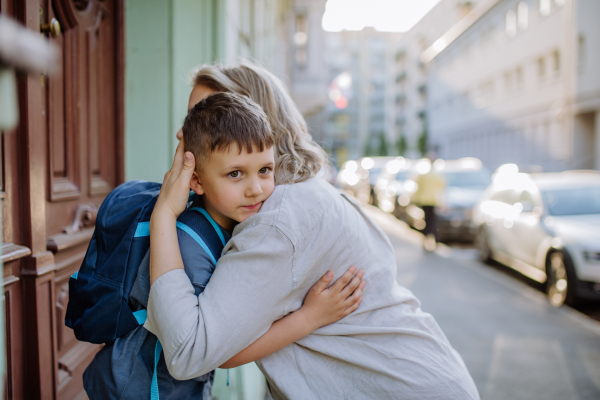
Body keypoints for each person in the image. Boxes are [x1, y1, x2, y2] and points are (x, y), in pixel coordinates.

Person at [147, 62, 480, 399]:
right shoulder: (297, 194)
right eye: (189, 119)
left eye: (205, 116)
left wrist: (164, 212)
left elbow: (188, 352)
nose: (182, 135)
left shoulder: (278, 223)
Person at [83, 92, 365, 399]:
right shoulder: (189, 241)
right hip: (137, 389)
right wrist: (309, 318)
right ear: (197, 181)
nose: (255, 189)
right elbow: (197, 351)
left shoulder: (231, 226)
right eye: (235, 174)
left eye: (264, 170)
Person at [412, 153, 446, 251]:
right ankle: (434, 239)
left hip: (424, 200)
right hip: (433, 200)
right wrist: (442, 203)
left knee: (427, 220)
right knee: (432, 220)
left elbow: (418, 188)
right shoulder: (437, 175)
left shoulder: (423, 175)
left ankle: (426, 239)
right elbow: (441, 190)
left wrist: (415, 200)